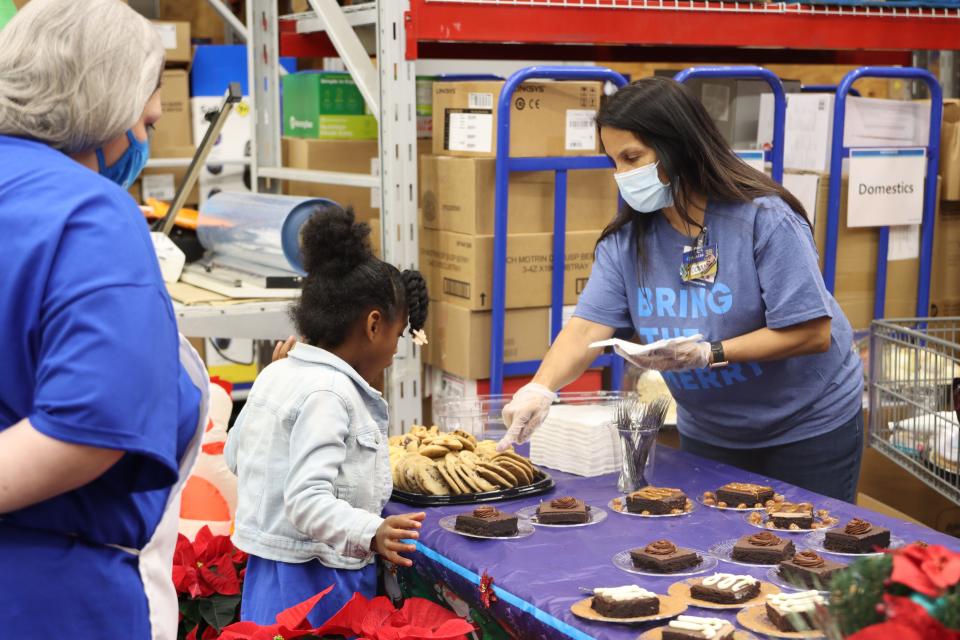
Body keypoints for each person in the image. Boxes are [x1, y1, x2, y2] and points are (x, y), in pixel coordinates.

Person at [497, 77, 864, 503]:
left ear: (679, 146)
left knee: (802, 556)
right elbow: (584, 331)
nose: (622, 175)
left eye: (633, 157)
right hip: (711, 431)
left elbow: (812, 332)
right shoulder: (627, 242)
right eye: (614, 161)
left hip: (807, 427)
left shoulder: (764, 220)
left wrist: (713, 353)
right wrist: (541, 388)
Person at [0, 1, 208, 638]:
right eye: (144, 121)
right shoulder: (90, 213)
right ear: (105, 111)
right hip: (50, 597)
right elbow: (90, 430)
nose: (141, 144)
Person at [226, 205, 429, 626]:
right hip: (316, 584)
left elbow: (236, 455)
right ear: (374, 325)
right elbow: (305, 500)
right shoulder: (330, 394)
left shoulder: (278, 374)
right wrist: (370, 532)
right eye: (397, 333)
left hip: (270, 576)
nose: (395, 350)